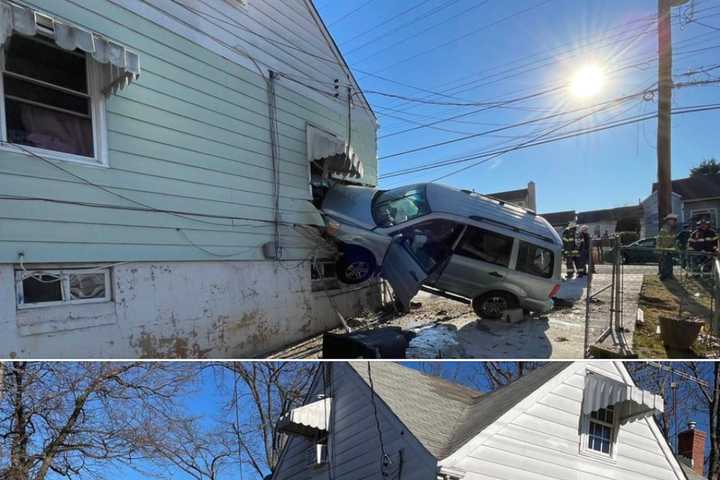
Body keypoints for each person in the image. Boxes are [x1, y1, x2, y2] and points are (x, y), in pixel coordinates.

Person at [656, 213, 678, 280]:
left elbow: (674, 240)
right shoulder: (665, 229)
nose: (673, 222)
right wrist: (661, 249)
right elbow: (661, 240)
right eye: (672, 220)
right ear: (668, 221)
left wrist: (675, 247)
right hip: (664, 250)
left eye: (674, 220)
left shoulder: (673, 230)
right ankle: (663, 276)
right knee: (664, 263)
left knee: (669, 263)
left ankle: (670, 275)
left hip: (669, 250)